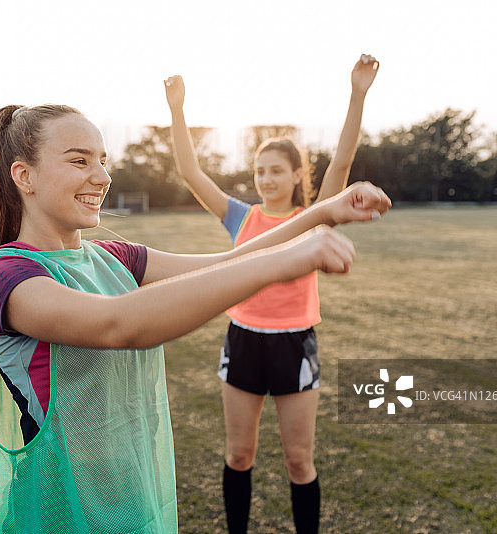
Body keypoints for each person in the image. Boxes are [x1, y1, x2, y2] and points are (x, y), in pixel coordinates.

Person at [0, 103, 389, 533]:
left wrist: (322, 214)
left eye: (102, 160)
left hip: (130, 494)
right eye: (79, 160)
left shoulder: (111, 257)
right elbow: (120, 324)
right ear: (24, 176)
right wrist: (283, 264)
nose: (102, 176)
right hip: (60, 507)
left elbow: (229, 261)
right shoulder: (5, 276)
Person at [163, 54, 379, 533]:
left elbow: (342, 160)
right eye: (260, 171)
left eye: (276, 171)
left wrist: (357, 93)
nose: (266, 179)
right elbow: (191, 172)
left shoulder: (315, 217)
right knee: (239, 455)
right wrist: (178, 108)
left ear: (297, 175)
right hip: (243, 341)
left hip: (294, 344)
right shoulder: (241, 218)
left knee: (299, 461)